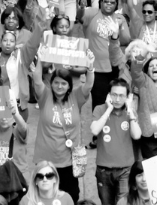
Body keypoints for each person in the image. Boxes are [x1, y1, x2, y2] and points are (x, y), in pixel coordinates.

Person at [31, 50, 95, 204]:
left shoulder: (76, 97)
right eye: (56, 82)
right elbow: (38, 80)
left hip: (68, 161)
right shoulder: (44, 96)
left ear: (69, 86)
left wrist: (90, 66)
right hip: (45, 161)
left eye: (64, 83)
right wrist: (40, 59)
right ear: (51, 84)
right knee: (44, 198)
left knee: (70, 197)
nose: (59, 86)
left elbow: (88, 85)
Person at [91, 79, 142, 205]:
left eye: (121, 96)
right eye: (114, 95)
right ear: (108, 95)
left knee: (123, 203)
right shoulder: (100, 109)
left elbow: (136, 135)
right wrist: (109, 109)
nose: (118, 99)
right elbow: (95, 130)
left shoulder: (130, 112)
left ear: (127, 97)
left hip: (125, 169)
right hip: (104, 169)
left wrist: (130, 109)